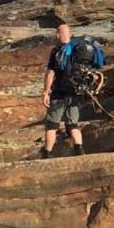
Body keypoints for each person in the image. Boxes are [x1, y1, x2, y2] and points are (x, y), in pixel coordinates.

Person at [39, 22, 88, 158]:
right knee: (73, 125)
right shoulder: (79, 50)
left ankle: (46, 154)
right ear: (70, 34)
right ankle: (80, 153)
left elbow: (51, 73)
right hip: (76, 92)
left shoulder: (57, 51)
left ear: (57, 35)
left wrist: (46, 92)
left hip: (59, 93)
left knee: (52, 125)